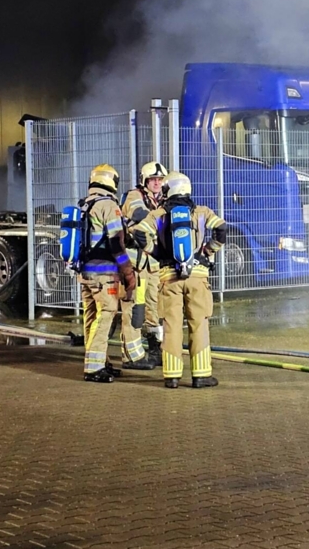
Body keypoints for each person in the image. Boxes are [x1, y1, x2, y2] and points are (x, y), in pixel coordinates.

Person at [142, 172, 227, 388]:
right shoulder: (201, 212)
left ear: (167, 190)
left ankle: (171, 377)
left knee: (171, 325)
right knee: (198, 324)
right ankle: (201, 375)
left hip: (169, 277)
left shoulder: (159, 214)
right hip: (197, 277)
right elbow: (221, 229)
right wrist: (207, 251)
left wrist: (158, 254)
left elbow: (138, 233)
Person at [80, 164, 152, 383]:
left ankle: (100, 362)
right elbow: (116, 244)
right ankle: (93, 369)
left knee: (91, 317)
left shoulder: (85, 204)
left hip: (85, 273)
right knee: (105, 317)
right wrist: (128, 272)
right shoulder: (109, 205)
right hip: (104, 274)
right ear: (113, 181)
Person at [121, 161, 167, 364]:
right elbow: (138, 214)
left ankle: (155, 349)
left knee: (154, 309)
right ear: (144, 181)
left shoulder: (163, 200)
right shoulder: (134, 196)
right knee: (135, 310)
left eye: (159, 179)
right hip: (137, 265)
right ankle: (131, 355)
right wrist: (163, 218)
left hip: (154, 264)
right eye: (152, 180)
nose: (157, 183)